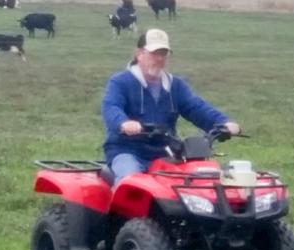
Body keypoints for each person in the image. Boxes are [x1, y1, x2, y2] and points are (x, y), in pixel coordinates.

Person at [100, 28, 241, 185]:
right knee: (130, 182)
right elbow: (111, 107)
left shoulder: (175, 85)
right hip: (127, 151)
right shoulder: (120, 82)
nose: (159, 58)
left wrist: (223, 123)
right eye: (154, 53)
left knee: (199, 181)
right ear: (138, 54)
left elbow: (196, 108)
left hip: (165, 153)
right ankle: (120, 210)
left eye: (163, 53)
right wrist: (123, 123)